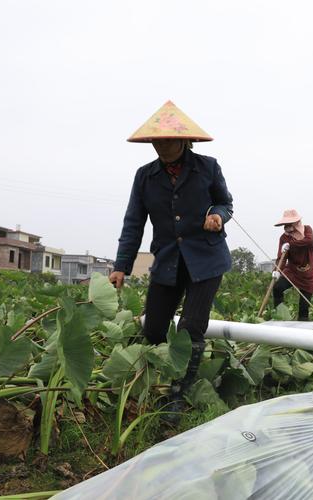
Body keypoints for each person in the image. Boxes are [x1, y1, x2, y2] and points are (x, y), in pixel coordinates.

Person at [108, 100, 233, 418]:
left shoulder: (208, 168)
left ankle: (178, 392)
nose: (162, 147)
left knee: (192, 327)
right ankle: (157, 376)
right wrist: (121, 265)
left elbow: (225, 203)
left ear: (184, 140)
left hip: (206, 259)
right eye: (156, 141)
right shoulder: (145, 176)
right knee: (154, 327)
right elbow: (134, 221)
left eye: (168, 140)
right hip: (167, 259)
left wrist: (218, 216)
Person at [272, 209, 313, 321]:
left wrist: (291, 244)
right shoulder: (284, 238)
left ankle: (303, 330)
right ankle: (279, 316)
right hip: (293, 271)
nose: (286, 226)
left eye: (289, 224)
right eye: (285, 224)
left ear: (296, 223)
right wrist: (277, 270)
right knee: (277, 287)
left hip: (308, 273)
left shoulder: (307, 230)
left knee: (304, 308)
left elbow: (308, 241)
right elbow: (281, 257)